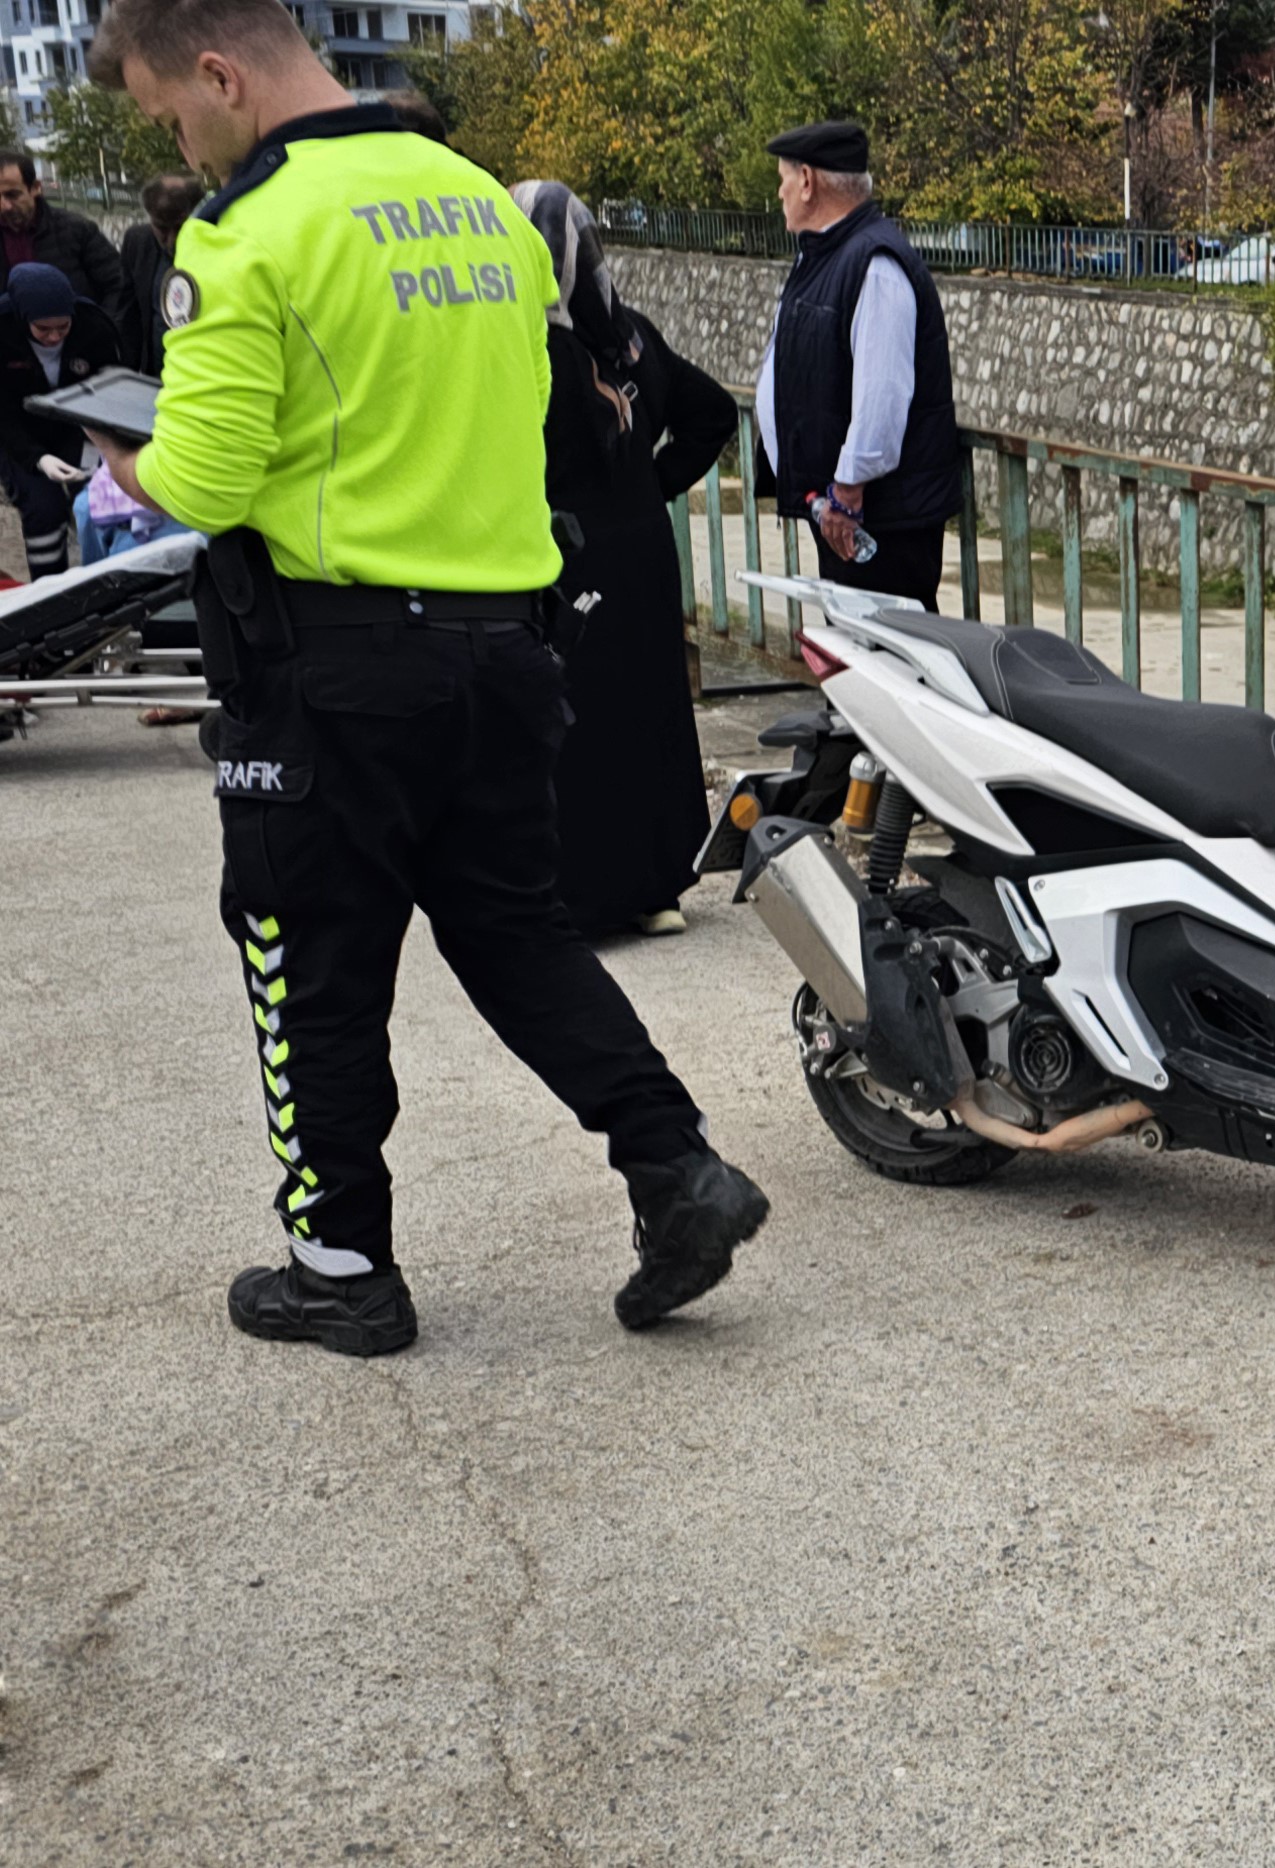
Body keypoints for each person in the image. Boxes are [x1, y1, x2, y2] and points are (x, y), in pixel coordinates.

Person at [86, 0, 770, 1356]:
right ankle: (677, 1164)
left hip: (330, 671)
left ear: (221, 73)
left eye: (173, 111)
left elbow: (209, 480)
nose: (179, 137)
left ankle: (340, 1268)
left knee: (310, 961)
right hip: (502, 655)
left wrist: (127, 464)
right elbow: (537, 418)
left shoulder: (245, 231)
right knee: (518, 934)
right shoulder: (476, 203)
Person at [511, 178, 735, 939]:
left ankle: (579, 895)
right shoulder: (629, 334)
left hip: (560, 555)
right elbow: (712, 413)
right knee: (651, 709)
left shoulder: (521, 349)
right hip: (640, 551)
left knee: (574, 720)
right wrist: (652, 484)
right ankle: (657, 888)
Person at [752, 119, 962, 610]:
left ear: (807, 181)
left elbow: (881, 396)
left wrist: (847, 492)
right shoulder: (826, 256)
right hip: (843, 515)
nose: (779, 193)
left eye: (783, 179)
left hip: (875, 520)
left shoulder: (874, 264)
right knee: (857, 669)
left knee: (891, 668)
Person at [0, 262, 123, 577]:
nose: (54, 336)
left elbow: (112, 392)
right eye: (43, 329)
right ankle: (50, 591)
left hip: (81, 429)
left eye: (62, 327)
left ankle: (107, 582)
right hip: (21, 434)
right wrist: (37, 459)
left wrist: (100, 445)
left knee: (101, 500)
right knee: (42, 509)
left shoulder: (94, 328)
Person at [0, 149, 126, 320]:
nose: (5, 206)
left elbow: (118, 285)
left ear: (36, 188)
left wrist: (101, 331)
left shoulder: (76, 229)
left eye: (12, 195)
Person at [115, 171, 205, 373]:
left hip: (199, 371)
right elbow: (128, 314)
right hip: (154, 371)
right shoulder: (137, 242)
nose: (171, 240)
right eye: (162, 228)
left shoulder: (218, 244)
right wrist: (125, 372)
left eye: (180, 227)